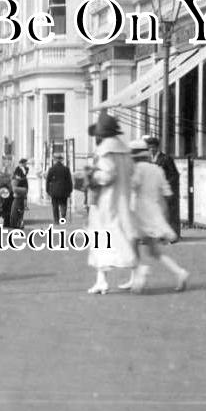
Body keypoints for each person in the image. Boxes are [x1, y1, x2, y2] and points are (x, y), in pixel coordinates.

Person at [124, 139, 189, 293]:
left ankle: (140, 271)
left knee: (130, 242)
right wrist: (163, 215)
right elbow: (167, 193)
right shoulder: (157, 169)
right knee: (154, 251)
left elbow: (132, 187)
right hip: (155, 211)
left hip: (139, 212)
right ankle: (179, 272)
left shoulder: (137, 169)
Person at [84, 112, 138, 294]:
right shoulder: (123, 150)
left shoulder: (104, 151)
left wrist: (92, 175)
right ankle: (133, 275)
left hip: (106, 201)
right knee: (122, 234)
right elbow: (131, 172)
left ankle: (103, 280)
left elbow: (107, 175)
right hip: (123, 198)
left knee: (102, 237)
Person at [146, 135, 181, 242]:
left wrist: (166, 185)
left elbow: (174, 175)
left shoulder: (166, 159)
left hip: (165, 191)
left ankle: (173, 235)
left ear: (157, 147)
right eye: (149, 147)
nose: (152, 149)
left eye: (154, 147)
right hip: (153, 191)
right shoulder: (148, 160)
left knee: (168, 213)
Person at [45, 156, 73, 225]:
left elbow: (48, 180)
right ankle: (63, 218)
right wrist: (70, 190)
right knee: (63, 204)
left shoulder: (51, 169)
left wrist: (47, 190)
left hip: (54, 191)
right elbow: (69, 181)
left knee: (55, 206)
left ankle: (56, 220)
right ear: (62, 160)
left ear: (55, 160)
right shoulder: (66, 169)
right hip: (64, 190)